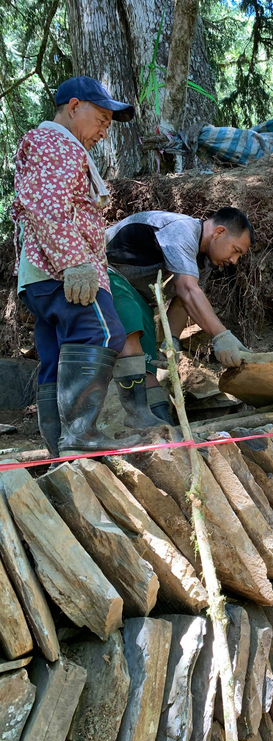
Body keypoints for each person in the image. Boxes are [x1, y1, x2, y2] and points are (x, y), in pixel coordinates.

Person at [12, 76, 141, 456]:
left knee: (56, 356)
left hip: (40, 274)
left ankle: (62, 449)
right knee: (102, 335)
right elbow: (48, 206)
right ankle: (81, 436)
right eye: (101, 118)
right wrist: (75, 263)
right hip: (63, 271)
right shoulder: (58, 143)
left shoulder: (50, 145)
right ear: (73, 107)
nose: (104, 130)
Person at [104, 207, 254, 427]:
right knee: (132, 345)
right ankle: (140, 423)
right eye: (235, 250)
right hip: (106, 274)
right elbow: (187, 290)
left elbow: (183, 302)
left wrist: (171, 341)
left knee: (147, 367)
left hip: (137, 296)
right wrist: (222, 336)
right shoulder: (181, 231)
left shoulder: (203, 263)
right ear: (219, 232)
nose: (234, 260)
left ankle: (163, 429)